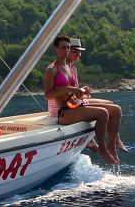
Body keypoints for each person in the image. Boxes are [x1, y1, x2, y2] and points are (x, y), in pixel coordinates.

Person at [43, 36, 118, 164]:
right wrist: (68, 89)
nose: (66, 50)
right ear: (55, 48)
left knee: (115, 110)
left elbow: (74, 94)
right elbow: (48, 95)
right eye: (63, 47)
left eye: (68, 48)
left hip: (74, 106)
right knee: (103, 113)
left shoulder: (69, 67)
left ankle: (111, 144)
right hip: (64, 112)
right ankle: (102, 149)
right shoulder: (52, 69)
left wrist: (81, 92)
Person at [67, 38, 128, 154]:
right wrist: (80, 93)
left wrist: (83, 91)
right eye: (75, 51)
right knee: (114, 109)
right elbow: (68, 93)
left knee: (111, 104)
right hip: (71, 105)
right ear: (67, 51)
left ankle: (115, 140)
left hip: (76, 101)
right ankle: (107, 143)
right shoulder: (63, 68)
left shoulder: (73, 68)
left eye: (79, 52)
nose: (78, 54)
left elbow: (76, 92)